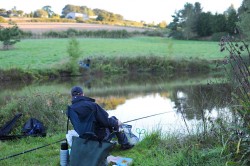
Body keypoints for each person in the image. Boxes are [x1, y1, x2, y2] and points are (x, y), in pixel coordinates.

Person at [68, 86, 134, 150]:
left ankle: (122, 143)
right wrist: (117, 122)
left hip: (83, 138)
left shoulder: (70, 110)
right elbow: (105, 121)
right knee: (114, 120)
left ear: (72, 96)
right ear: (82, 94)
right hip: (97, 137)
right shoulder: (92, 105)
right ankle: (125, 144)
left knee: (111, 121)